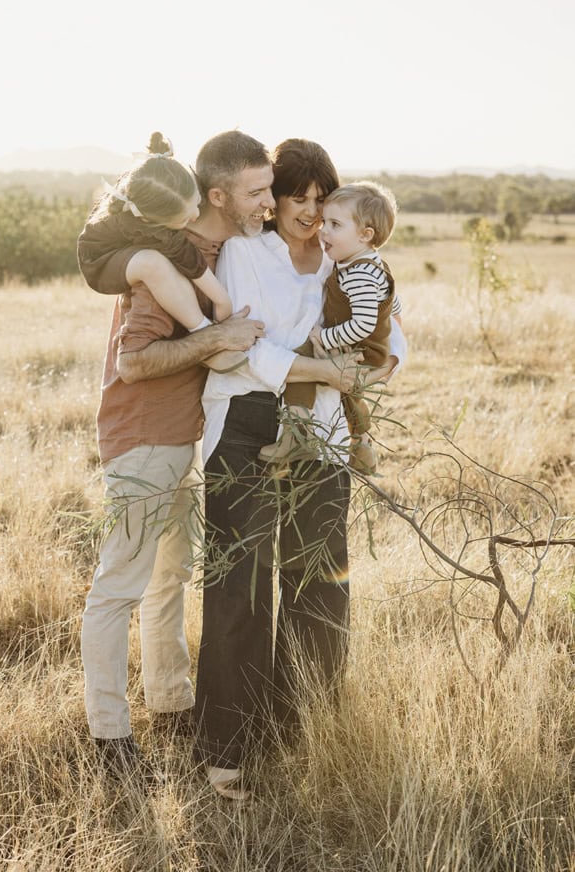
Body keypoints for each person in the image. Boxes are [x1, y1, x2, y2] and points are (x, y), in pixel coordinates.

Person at [80, 131, 359, 784]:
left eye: (272, 190)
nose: (271, 204)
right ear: (219, 195)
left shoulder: (211, 249)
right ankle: (110, 739)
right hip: (144, 436)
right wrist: (218, 337)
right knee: (121, 583)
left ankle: (173, 707)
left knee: (167, 578)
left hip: (187, 435)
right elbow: (135, 359)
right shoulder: (169, 260)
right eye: (260, 192)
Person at [194, 139, 406, 802]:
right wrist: (316, 367)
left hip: (321, 432)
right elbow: (242, 348)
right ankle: (226, 747)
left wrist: (369, 367)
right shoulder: (242, 255)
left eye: (322, 201)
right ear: (276, 200)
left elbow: (389, 338)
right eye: (297, 199)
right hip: (245, 425)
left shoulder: (345, 258)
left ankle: (300, 726)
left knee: (320, 579)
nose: (311, 213)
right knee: (242, 585)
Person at [259, 179, 402, 475]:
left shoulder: (359, 273)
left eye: (335, 225)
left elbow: (363, 323)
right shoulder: (370, 264)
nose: (323, 230)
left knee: (301, 357)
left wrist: (324, 336)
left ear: (365, 235)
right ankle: (361, 446)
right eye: (326, 222)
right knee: (351, 395)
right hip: (365, 351)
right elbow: (393, 304)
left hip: (359, 349)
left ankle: (296, 434)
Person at [77, 144, 245, 371]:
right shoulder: (155, 231)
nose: (196, 216)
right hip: (100, 262)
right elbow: (190, 261)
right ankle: (206, 338)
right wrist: (222, 300)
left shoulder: (161, 188)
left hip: (124, 245)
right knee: (154, 264)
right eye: (184, 220)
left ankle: (205, 333)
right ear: (153, 222)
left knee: (169, 269)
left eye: (197, 203)